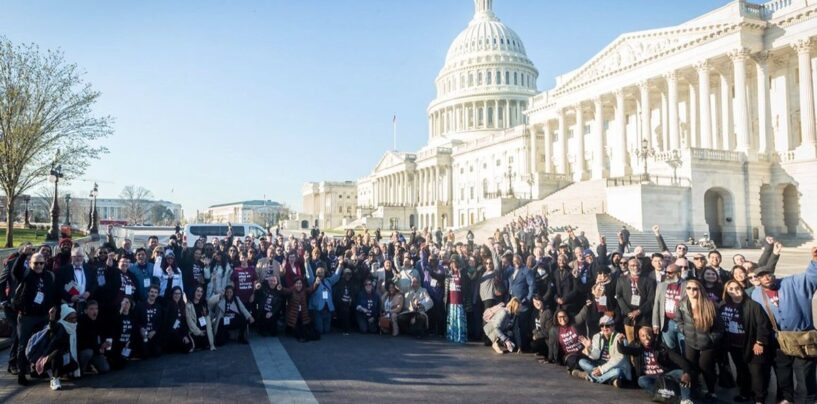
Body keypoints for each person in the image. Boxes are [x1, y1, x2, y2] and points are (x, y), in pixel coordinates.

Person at [751, 246, 817, 404]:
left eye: (768, 274)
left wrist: (815, 261)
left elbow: (810, 278)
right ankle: (787, 399)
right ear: (757, 280)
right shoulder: (755, 294)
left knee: (805, 374)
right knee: (783, 374)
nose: (766, 278)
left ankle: (809, 399)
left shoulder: (791, 282)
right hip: (779, 341)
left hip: (803, 338)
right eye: (762, 276)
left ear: (772, 274)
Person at [720, 279, 772, 403]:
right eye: (730, 289)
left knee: (756, 373)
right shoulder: (723, 306)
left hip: (752, 345)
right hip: (734, 346)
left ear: (742, 289)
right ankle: (745, 393)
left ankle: (759, 398)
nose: (734, 291)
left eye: (737, 288)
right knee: (742, 371)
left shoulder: (753, 305)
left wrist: (760, 342)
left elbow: (763, 325)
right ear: (726, 291)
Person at [12, 251, 57, 386]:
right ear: (30, 263)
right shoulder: (26, 275)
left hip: (43, 315)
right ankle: (21, 373)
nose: (38, 266)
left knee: (40, 344)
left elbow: (51, 294)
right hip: (27, 316)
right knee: (23, 344)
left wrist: (52, 308)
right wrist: (22, 255)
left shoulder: (48, 276)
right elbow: (15, 271)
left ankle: (36, 368)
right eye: (35, 263)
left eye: (41, 263)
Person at [618, 327, 694, 404]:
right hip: (651, 378)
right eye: (643, 336)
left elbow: (679, 360)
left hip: (664, 375)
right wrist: (620, 342)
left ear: (653, 336)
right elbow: (623, 350)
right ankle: (667, 396)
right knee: (641, 380)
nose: (646, 338)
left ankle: (685, 399)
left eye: (648, 335)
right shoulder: (637, 348)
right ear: (639, 337)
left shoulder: (661, 347)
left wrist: (686, 372)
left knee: (682, 373)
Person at [675, 279, 722, 400]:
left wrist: (711, 339)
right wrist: (683, 330)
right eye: (688, 288)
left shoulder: (710, 304)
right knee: (691, 366)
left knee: (705, 366)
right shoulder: (682, 303)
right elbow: (678, 320)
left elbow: (719, 327)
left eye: (694, 288)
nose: (691, 291)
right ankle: (694, 388)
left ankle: (711, 391)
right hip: (690, 340)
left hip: (707, 343)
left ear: (700, 290)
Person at [572, 315, 630, 387]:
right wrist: (589, 348)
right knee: (582, 362)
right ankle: (610, 380)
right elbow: (596, 356)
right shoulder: (597, 336)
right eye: (602, 326)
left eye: (607, 325)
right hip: (600, 365)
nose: (605, 328)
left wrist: (601, 370)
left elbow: (618, 359)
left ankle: (590, 377)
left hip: (614, 366)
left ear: (613, 326)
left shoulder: (620, 338)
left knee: (618, 371)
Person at [32, 305, 80, 391]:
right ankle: (54, 378)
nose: (74, 320)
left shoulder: (74, 328)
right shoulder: (60, 326)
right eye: (71, 318)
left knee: (74, 366)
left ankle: (53, 372)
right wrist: (52, 317)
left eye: (75, 318)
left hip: (64, 355)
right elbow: (53, 327)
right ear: (64, 318)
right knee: (57, 353)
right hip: (50, 356)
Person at [652, 263, 686, 351]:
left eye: (670, 273)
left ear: (678, 273)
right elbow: (657, 304)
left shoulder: (687, 285)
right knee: (670, 349)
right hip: (667, 323)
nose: (667, 274)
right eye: (666, 272)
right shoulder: (661, 285)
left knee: (685, 350)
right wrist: (655, 323)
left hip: (683, 323)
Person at [505, 254, 534, 351]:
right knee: (513, 325)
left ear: (522, 260)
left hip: (522, 303)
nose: (516, 262)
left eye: (518, 260)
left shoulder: (527, 271)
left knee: (522, 325)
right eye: (514, 260)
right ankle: (517, 345)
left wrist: (528, 299)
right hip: (512, 302)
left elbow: (532, 286)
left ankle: (524, 346)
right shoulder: (510, 271)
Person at [77, 300, 110, 375]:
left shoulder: (99, 321)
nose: (94, 311)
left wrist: (104, 344)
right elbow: (84, 343)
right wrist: (99, 347)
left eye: (96, 308)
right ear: (86, 311)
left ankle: (91, 365)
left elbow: (101, 337)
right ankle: (81, 369)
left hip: (96, 351)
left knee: (105, 368)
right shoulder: (81, 322)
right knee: (88, 352)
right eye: (91, 309)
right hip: (84, 351)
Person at [308, 263, 342, 335]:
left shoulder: (328, 281)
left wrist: (340, 265)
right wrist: (306, 262)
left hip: (328, 310)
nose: (320, 273)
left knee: (327, 331)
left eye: (322, 272)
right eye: (318, 272)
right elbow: (309, 273)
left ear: (324, 273)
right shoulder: (312, 281)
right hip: (318, 310)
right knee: (320, 331)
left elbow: (336, 276)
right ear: (316, 273)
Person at [133, 285, 163, 359]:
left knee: (157, 353)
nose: (153, 294)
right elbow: (135, 320)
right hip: (142, 334)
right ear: (148, 293)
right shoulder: (140, 305)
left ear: (158, 295)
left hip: (153, 334)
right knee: (144, 354)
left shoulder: (159, 307)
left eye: (155, 292)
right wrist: (140, 328)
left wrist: (154, 331)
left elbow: (160, 322)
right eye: (151, 292)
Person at [106, 297, 135, 370]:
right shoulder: (118, 316)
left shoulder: (132, 317)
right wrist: (121, 309)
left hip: (127, 344)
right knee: (118, 364)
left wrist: (129, 341)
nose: (125, 304)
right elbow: (113, 324)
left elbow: (134, 332)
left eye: (127, 302)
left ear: (130, 304)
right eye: (123, 302)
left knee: (124, 362)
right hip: (117, 344)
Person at [162, 286, 193, 353]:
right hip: (171, 332)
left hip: (180, 330)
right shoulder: (169, 304)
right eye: (175, 293)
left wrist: (185, 335)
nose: (177, 295)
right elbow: (169, 325)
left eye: (179, 293)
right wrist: (182, 337)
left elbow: (184, 322)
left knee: (190, 346)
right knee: (187, 347)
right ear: (172, 294)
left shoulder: (182, 304)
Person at [281, 277, 312, 342]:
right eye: (297, 283)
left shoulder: (304, 290)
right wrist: (280, 287)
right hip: (293, 317)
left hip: (303, 315)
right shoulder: (291, 290)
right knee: (296, 330)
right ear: (294, 284)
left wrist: (316, 284)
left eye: (300, 283)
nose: (299, 285)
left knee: (305, 330)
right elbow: (285, 291)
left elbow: (312, 289)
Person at [185, 286, 215, 351]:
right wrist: (199, 332)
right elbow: (190, 322)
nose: (199, 293)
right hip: (195, 332)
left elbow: (208, 322)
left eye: (201, 291)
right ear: (194, 292)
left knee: (209, 342)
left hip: (204, 331)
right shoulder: (188, 305)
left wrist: (212, 344)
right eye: (198, 291)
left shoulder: (204, 304)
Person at [445, 259, 468, 344]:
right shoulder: (449, 274)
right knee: (451, 319)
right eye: (452, 262)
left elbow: (465, 286)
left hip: (459, 301)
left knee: (459, 320)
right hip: (451, 301)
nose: (453, 264)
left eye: (455, 262)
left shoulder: (462, 273)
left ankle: (460, 337)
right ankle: (451, 336)